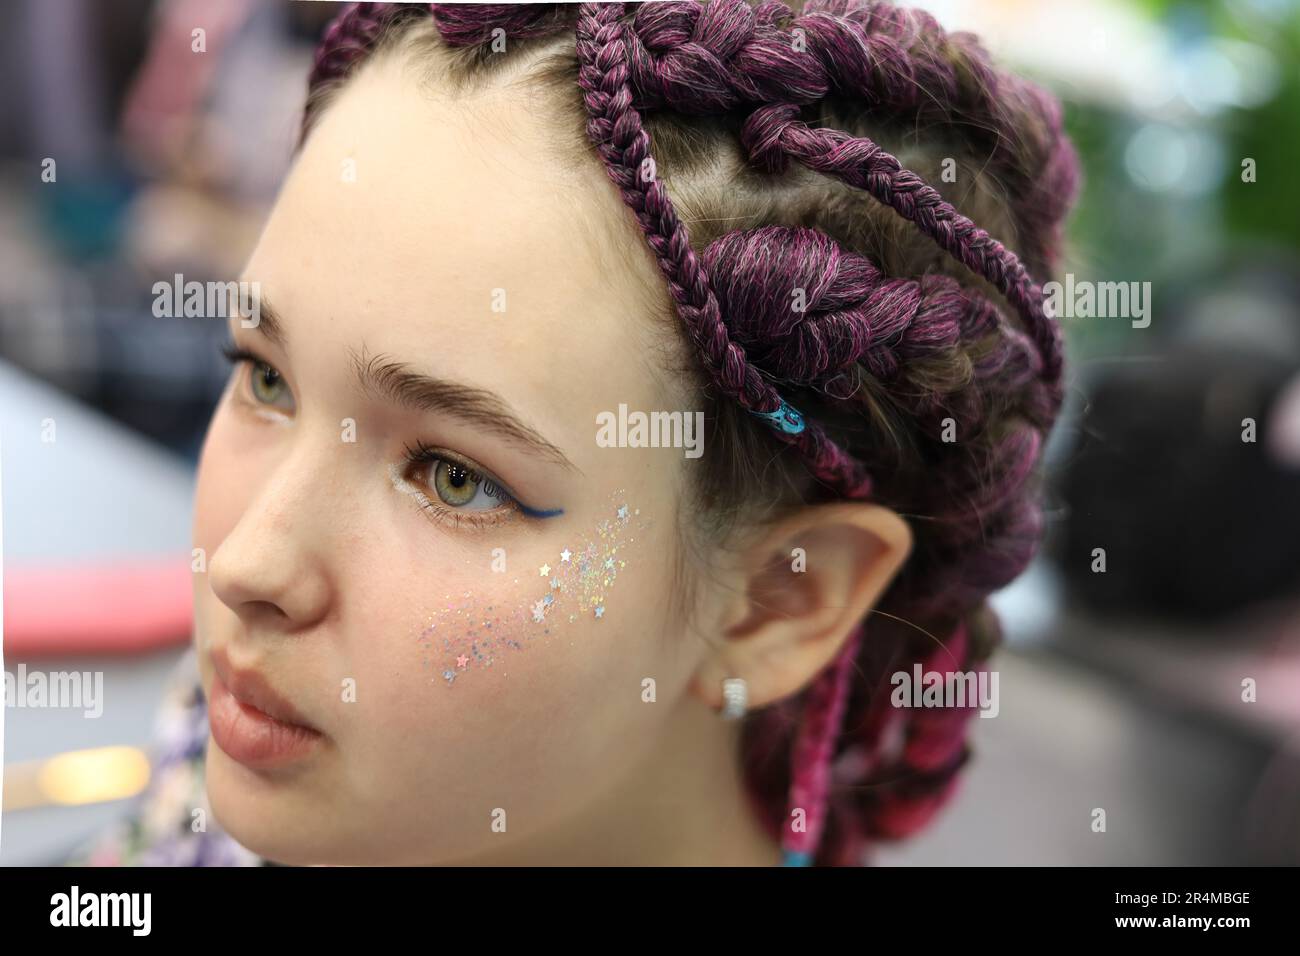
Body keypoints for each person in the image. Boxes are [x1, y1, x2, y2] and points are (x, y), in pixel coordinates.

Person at [77, 0, 1078, 867]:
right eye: (265, 376)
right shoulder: (229, 738)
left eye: (453, 475)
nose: (246, 562)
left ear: (779, 599)